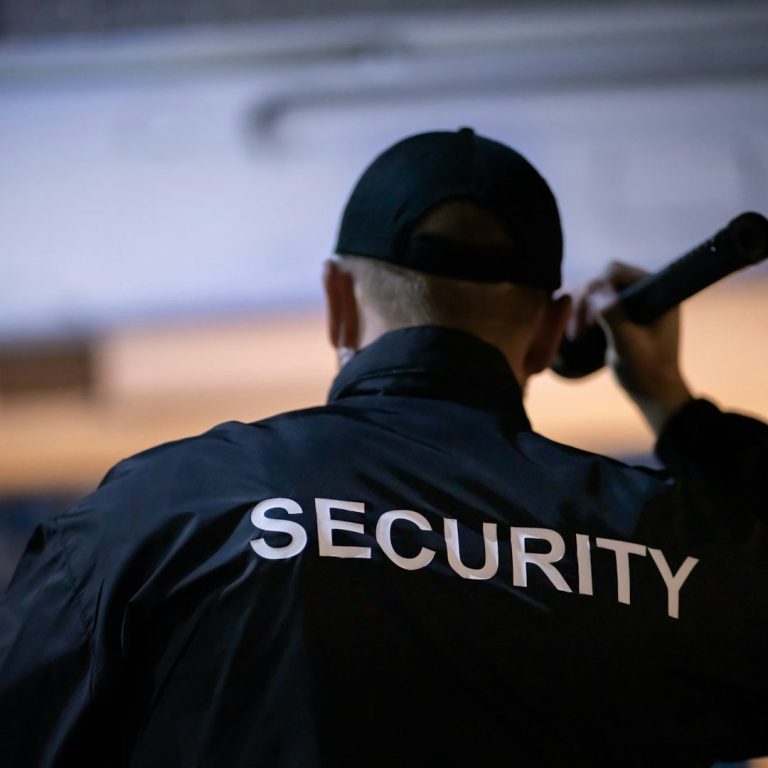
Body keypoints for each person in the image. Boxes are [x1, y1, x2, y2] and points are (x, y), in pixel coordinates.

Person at [1, 127, 766, 767]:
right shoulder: (669, 557)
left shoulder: (158, 508)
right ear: (547, 331)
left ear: (338, 301)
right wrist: (677, 407)